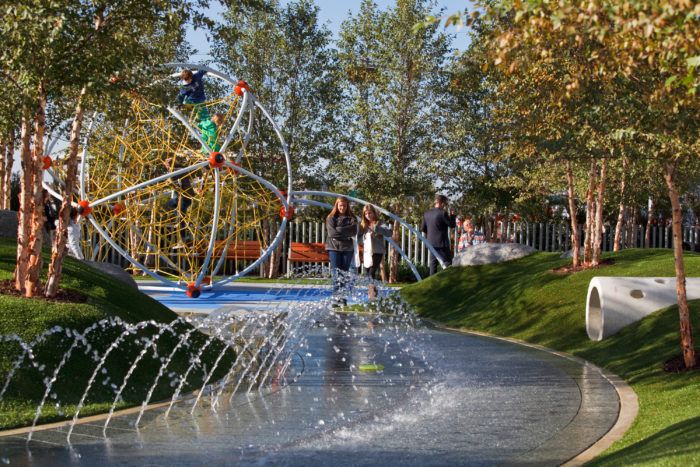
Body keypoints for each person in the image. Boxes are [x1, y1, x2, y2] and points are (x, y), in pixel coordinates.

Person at [325, 196, 357, 303]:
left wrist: (339, 229)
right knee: (336, 274)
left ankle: (342, 298)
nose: (342, 207)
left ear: (347, 206)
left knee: (344, 274)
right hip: (333, 248)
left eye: (344, 205)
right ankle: (335, 298)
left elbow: (353, 232)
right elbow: (331, 233)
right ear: (336, 206)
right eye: (340, 205)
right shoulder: (331, 218)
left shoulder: (352, 219)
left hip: (347, 249)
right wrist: (345, 233)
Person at [358, 205, 392, 300]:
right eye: (366, 213)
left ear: (373, 213)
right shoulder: (363, 225)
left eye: (370, 213)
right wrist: (365, 237)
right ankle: (374, 295)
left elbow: (389, 233)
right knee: (368, 274)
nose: (368, 215)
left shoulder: (379, 223)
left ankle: (372, 297)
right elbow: (359, 238)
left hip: (377, 251)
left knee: (371, 273)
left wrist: (376, 229)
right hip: (367, 253)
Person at [421, 194, 456, 276]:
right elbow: (452, 225)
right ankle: (449, 280)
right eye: (445, 204)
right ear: (442, 203)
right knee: (447, 262)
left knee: (433, 264)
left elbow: (423, 228)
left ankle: (432, 283)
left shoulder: (427, 213)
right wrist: (452, 215)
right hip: (442, 243)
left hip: (430, 242)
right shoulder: (443, 213)